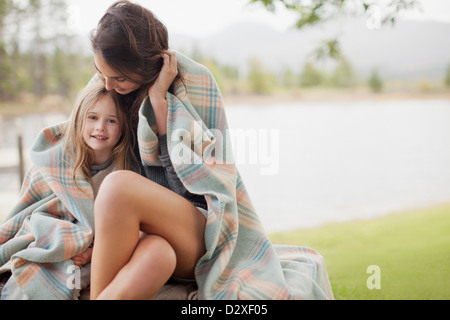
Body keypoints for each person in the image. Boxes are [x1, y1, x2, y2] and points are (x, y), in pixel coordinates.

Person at [89, 0, 334, 300]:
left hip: (201, 233)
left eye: (119, 78)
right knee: (157, 254)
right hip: (151, 236)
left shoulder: (193, 85)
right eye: (102, 74)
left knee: (118, 187)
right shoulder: (108, 91)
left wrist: (160, 107)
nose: (108, 85)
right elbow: (83, 163)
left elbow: (196, 191)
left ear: (145, 66)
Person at [0, 81, 135, 299]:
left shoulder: (126, 172)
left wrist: (93, 252)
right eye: (92, 117)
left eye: (111, 121)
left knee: (75, 275)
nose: (100, 126)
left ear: (123, 128)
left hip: (93, 251)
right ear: (80, 120)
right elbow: (28, 209)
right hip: (51, 237)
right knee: (30, 271)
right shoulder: (57, 163)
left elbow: (128, 227)